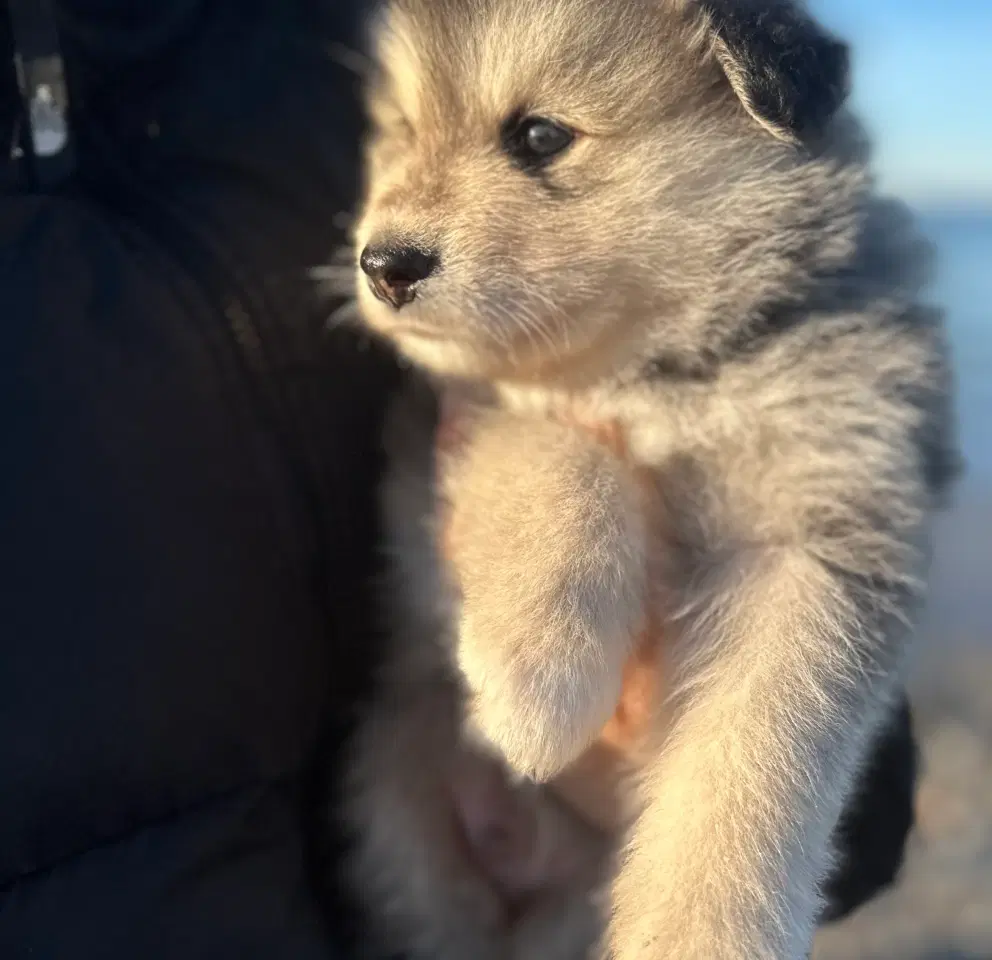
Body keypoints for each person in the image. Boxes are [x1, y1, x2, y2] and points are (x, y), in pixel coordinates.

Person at [0, 2, 917, 956]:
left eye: (538, 138)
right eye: (399, 128)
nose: (392, 221)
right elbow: (481, 451)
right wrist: (558, 528)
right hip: (354, 880)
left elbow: (845, 656)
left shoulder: (275, 39)